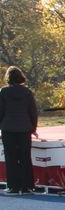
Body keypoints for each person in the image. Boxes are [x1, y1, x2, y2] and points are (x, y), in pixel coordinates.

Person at [0, 66, 39, 194]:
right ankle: (27, 185)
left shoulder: (3, 92)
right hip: (24, 128)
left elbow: (1, 111)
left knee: (11, 158)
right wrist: (33, 128)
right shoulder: (27, 92)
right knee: (25, 157)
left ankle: (13, 186)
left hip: (8, 128)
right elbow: (33, 111)